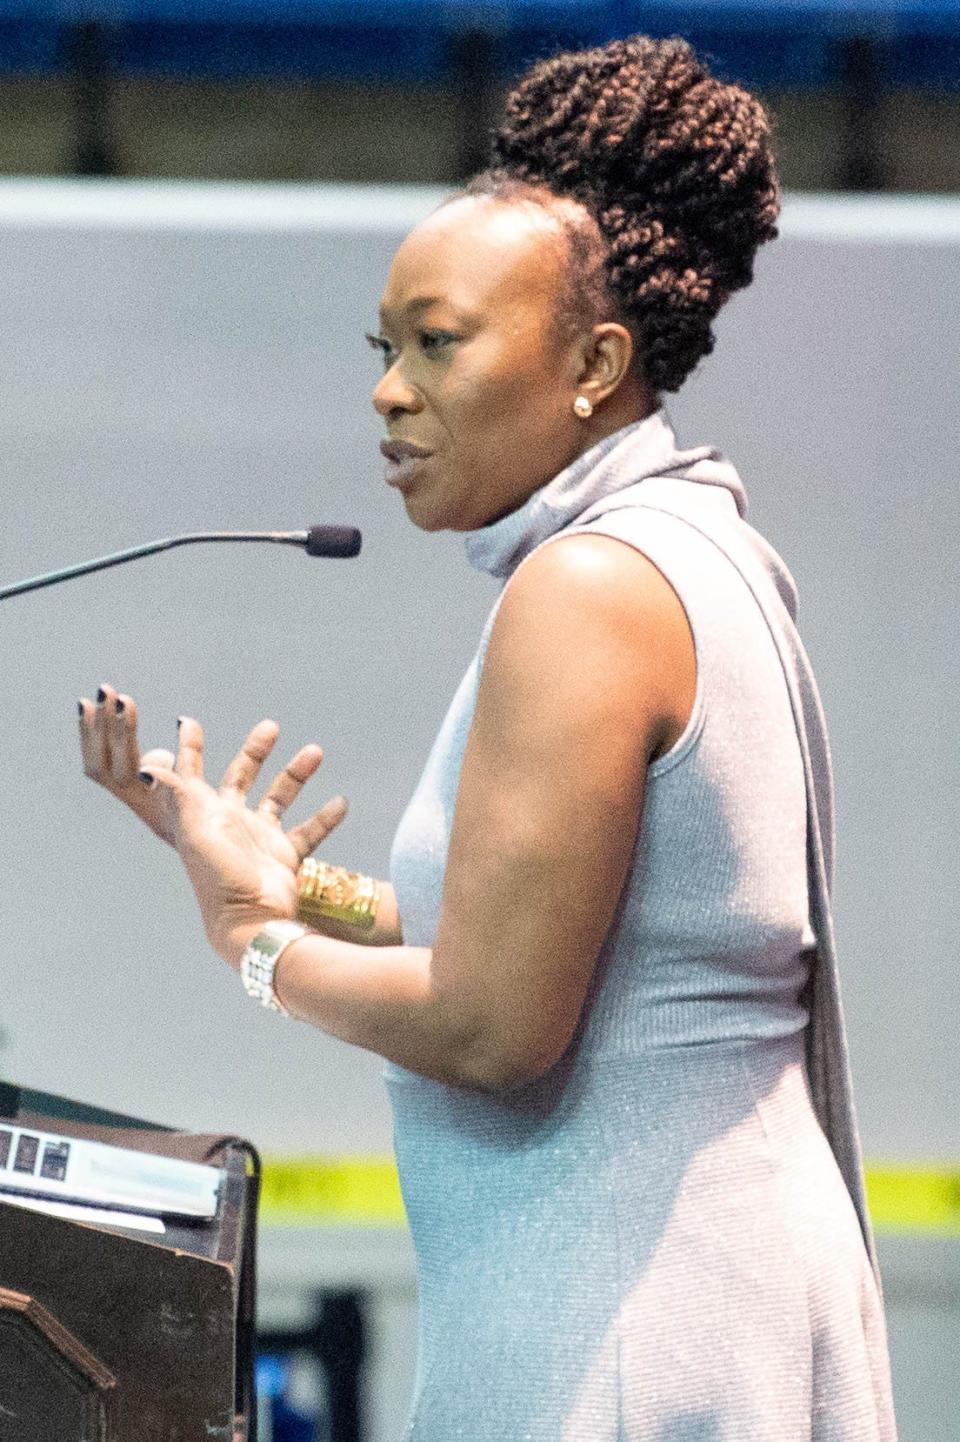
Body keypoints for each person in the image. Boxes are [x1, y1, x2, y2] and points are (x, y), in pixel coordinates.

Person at [79, 33, 897, 1441]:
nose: (388, 391)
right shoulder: (694, 546)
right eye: (382, 348)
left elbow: (495, 1019)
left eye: (438, 343)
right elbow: (590, 941)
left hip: (631, 1315)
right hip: (683, 1285)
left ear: (595, 361)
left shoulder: (586, 589)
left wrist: (254, 946)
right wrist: (291, 880)